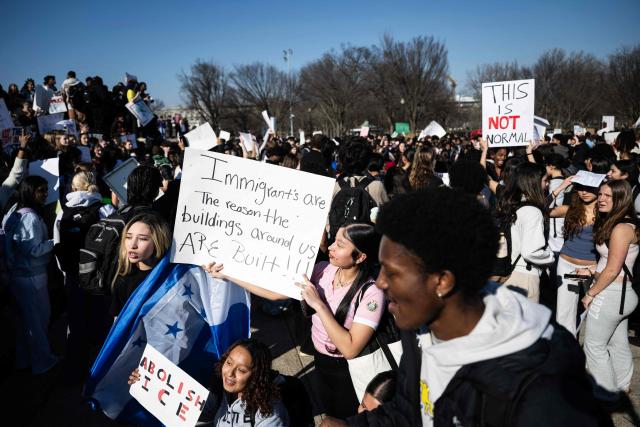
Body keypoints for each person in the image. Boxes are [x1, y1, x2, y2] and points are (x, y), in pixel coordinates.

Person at [323, 187, 611, 426]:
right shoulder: (422, 328)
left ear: (442, 282)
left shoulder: (540, 384)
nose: (381, 283)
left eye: (393, 272)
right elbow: (412, 409)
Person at [128, 338, 289, 426]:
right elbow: (189, 410)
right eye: (229, 363)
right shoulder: (221, 388)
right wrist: (147, 382)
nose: (230, 373)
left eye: (241, 370)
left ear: (257, 375)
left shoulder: (270, 417)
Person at [579, 179, 639, 402]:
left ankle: (606, 394)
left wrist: (590, 293)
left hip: (612, 294)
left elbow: (613, 269)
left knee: (594, 346)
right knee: (617, 342)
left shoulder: (621, 228)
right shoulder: (624, 224)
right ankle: (622, 385)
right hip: (620, 294)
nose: (601, 199)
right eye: (601, 194)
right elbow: (612, 264)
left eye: (607, 196)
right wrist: (592, 269)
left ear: (621, 199)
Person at [1, 176, 59, 375]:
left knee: (24, 323)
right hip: (30, 278)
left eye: (45, 190)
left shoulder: (14, 212)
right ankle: (42, 362)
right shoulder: (30, 217)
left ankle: (24, 360)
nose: (45, 194)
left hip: (17, 277)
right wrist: (55, 242)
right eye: (40, 190)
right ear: (29, 192)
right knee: (38, 322)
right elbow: (33, 250)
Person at [496, 162, 555, 301]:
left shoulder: (512, 205)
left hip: (507, 273)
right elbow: (531, 252)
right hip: (524, 277)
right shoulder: (533, 211)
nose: (547, 185)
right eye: (545, 180)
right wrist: (550, 256)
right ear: (533, 182)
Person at [549, 177, 599, 336]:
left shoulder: (606, 213)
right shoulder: (571, 209)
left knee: (594, 310)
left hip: (591, 269)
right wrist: (562, 186)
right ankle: (567, 348)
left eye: (589, 188)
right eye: (580, 188)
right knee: (565, 310)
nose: (584, 192)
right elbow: (543, 209)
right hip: (567, 265)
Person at [109, 213, 171, 318]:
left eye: (142, 239)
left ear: (158, 242)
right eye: (128, 237)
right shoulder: (123, 279)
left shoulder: (172, 277)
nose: (132, 245)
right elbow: (119, 323)